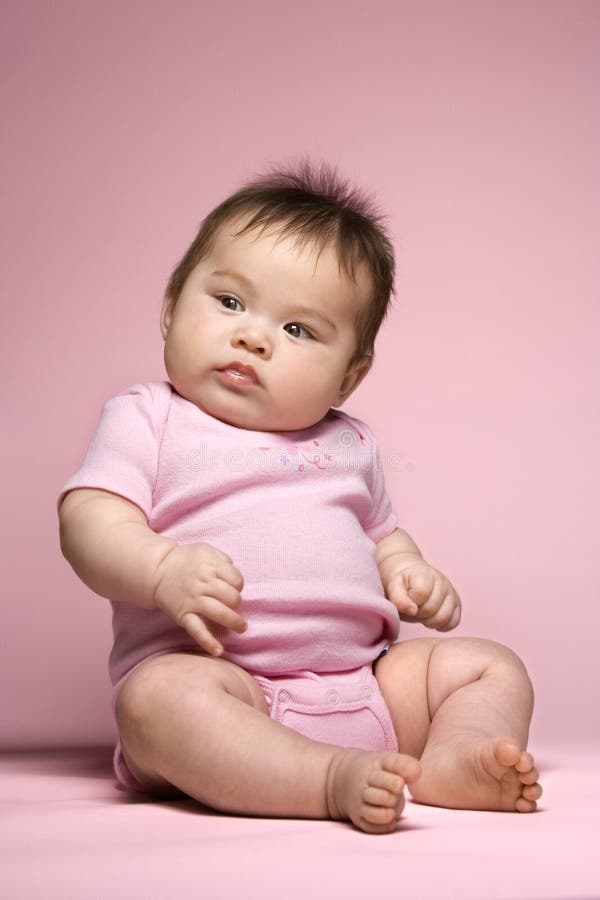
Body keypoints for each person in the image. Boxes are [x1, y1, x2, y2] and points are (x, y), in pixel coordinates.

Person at [58, 159, 542, 834]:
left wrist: (408, 570)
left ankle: (453, 758)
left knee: (491, 667)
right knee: (154, 702)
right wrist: (161, 568)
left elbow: (382, 535)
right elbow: (88, 519)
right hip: (229, 689)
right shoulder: (150, 418)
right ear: (171, 307)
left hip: (368, 686)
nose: (253, 336)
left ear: (348, 378)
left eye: (298, 330)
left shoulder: (350, 443)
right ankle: (322, 779)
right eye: (229, 302)